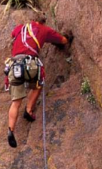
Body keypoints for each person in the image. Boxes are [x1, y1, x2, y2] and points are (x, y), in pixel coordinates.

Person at [4, 20, 69, 148]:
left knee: (16, 102)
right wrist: (66, 38)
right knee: (39, 83)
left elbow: (12, 35)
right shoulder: (44, 29)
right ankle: (28, 110)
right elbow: (62, 40)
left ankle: (11, 129)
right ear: (41, 22)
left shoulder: (20, 28)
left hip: (15, 65)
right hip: (30, 64)